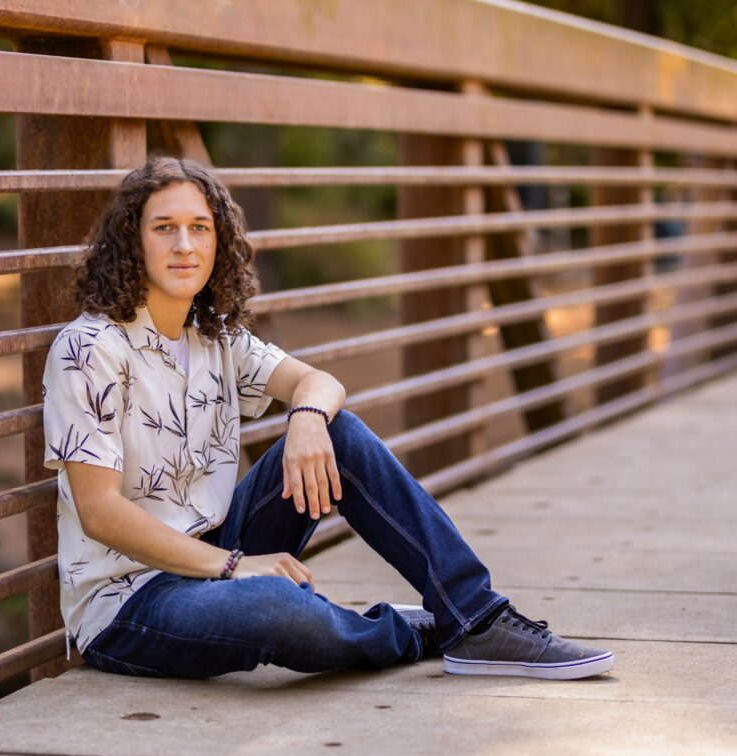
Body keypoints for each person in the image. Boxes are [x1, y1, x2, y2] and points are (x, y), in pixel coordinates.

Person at [41, 156, 613, 681]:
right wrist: (235, 567)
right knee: (276, 606)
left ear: (218, 242)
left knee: (337, 430)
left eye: (200, 227)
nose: (184, 244)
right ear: (132, 242)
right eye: (164, 227)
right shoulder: (89, 349)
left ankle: (477, 617)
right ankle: (424, 631)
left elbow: (319, 383)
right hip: (129, 602)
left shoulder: (213, 335)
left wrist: (307, 420)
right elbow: (100, 512)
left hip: (218, 552)